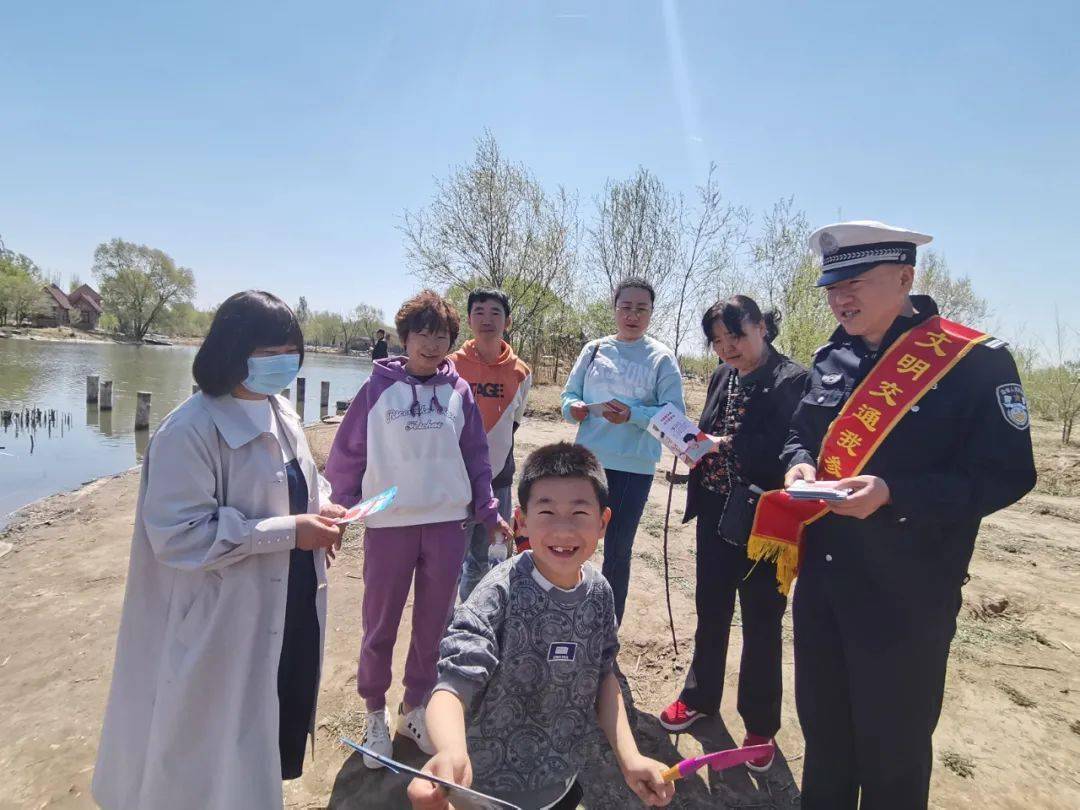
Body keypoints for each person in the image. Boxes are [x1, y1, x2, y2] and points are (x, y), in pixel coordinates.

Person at [765, 221, 1036, 808]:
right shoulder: (831, 355)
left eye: (855, 283)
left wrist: (895, 493)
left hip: (908, 594)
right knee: (826, 742)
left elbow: (1008, 474)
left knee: (895, 755)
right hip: (825, 586)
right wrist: (799, 465)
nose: (840, 298)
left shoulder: (974, 361)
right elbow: (800, 436)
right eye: (832, 287)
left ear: (905, 278)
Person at [93, 291, 345, 810]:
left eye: (291, 351)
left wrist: (322, 507)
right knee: (206, 744)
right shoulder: (190, 430)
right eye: (270, 351)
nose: (284, 361)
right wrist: (289, 532)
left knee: (265, 720)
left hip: (286, 597)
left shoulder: (281, 411)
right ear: (233, 350)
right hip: (218, 614)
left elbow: (298, 480)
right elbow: (178, 534)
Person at [406, 443, 676, 810]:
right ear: (521, 521)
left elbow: (603, 675)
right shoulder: (498, 594)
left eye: (579, 512)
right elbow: (452, 685)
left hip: (562, 777)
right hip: (485, 790)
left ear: (602, 522)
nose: (563, 529)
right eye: (546, 511)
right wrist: (451, 751)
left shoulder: (599, 593)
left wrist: (630, 758)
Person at [324, 290, 512, 768]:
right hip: (390, 523)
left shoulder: (459, 391)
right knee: (379, 625)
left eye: (441, 336)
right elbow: (348, 454)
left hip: (447, 524)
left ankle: (414, 708)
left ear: (451, 341)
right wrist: (339, 511)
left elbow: (476, 457)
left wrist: (488, 510)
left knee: (433, 625)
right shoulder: (376, 389)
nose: (431, 344)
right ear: (404, 339)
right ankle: (374, 712)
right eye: (422, 334)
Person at [658, 296, 807, 773]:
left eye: (736, 336)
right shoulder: (723, 375)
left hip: (765, 522)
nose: (727, 348)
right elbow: (707, 429)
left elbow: (788, 446)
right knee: (711, 608)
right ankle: (700, 696)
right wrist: (691, 445)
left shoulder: (793, 380)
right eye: (718, 341)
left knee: (762, 619)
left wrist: (721, 445)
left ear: (762, 327)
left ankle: (760, 725)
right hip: (715, 512)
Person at [561, 277, 685, 623]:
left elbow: (674, 416)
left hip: (634, 467)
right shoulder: (594, 350)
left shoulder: (661, 358)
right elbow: (568, 396)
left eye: (641, 308)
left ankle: (607, 627)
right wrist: (574, 409)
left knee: (618, 548)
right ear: (614, 309)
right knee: (574, 541)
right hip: (588, 464)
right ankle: (569, 615)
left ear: (651, 313)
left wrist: (633, 415)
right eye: (626, 307)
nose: (633, 315)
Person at [451, 287, 532, 601]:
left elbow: (514, 424)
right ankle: (445, 626)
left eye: (495, 312)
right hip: (454, 482)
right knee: (450, 562)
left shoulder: (521, 372)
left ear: (507, 321)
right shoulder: (450, 365)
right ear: (469, 320)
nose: (487, 319)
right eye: (479, 312)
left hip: (498, 482)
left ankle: (475, 621)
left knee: (485, 562)